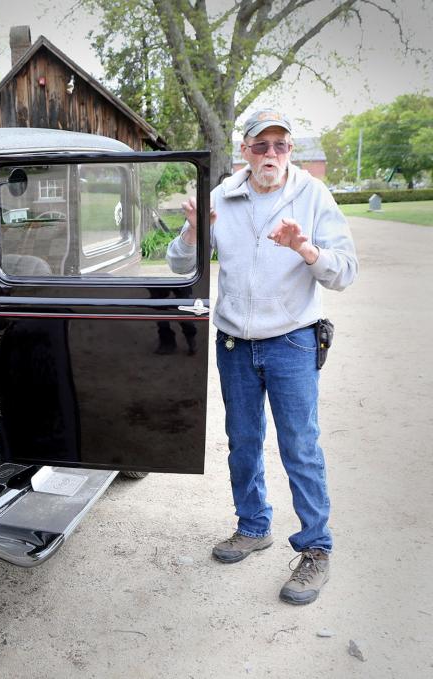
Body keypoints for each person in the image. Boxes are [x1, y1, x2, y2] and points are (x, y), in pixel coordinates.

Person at [166, 109, 358, 605]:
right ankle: (253, 527)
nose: (271, 154)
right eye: (261, 145)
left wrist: (306, 250)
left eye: (281, 146)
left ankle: (315, 548)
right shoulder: (223, 197)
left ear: (290, 151)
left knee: (300, 446)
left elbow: (345, 272)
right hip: (233, 342)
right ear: (245, 152)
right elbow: (178, 263)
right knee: (243, 440)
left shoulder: (313, 196)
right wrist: (190, 235)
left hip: (292, 340)